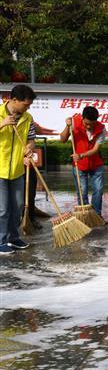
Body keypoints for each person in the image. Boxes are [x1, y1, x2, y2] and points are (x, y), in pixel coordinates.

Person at [0, 85, 36, 254]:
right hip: (0, 170)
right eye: (25, 104)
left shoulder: (27, 118)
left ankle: (13, 238)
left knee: (18, 205)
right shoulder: (0, 114)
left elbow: (31, 139)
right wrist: (2, 124)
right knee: (3, 208)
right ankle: (1, 240)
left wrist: (29, 150)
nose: (27, 108)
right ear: (14, 100)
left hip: (17, 170)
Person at [60, 106, 107, 219]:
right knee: (82, 192)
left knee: (98, 190)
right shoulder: (74, 123)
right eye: (86, 124)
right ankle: (85, 215)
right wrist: (67, 126)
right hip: (79, 165)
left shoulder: (101, 129)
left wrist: (81, 155)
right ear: (82, 118)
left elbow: (96, 149)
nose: (89, 126)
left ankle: (96, 216)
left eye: (92, 124)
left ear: (97, 120)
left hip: (96, 164)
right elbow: (62, 139)